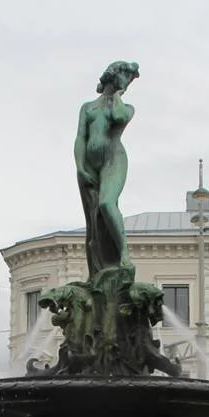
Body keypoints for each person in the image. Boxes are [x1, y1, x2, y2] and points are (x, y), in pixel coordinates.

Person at [75, 60, 140, 275]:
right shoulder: (88, 107)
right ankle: (97, 270)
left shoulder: (126, 107)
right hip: (89, 166)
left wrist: (118, 96)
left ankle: (124, 255)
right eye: (125, 78)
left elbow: (118, 117)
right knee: (93, 224)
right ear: (113, 76)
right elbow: (80, 138)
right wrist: (80, 167)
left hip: (114, 159)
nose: (127, 84)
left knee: (106, 203)